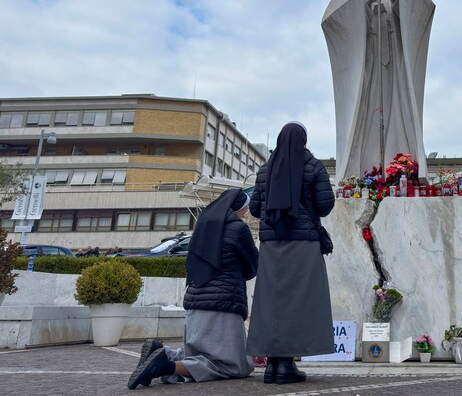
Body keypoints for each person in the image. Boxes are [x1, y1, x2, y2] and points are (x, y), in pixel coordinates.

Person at [322, 0, 435, 181]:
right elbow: (332, 26)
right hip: (364, 74)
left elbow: (422, 9)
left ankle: (401, 171)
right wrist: (362, 1)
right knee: (365, 121)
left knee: (398, 114)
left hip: (394, 71)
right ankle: (362, 175)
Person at [127, 189, 258, 389]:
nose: (246, 211)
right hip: (223, 306)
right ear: (239, 208)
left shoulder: (203, 225)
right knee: (233, 366)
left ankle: (164, 353)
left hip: (195, 304)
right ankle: (165, 365)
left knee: (198, 354)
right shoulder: (238, 228)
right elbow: (253, 266)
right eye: (245, 207)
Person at [246, 122, 335, 385]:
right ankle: (286, 364)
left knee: (271, 302)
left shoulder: (265, 170)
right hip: (303, 244)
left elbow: (254, 209)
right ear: (304, 141)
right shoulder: (314, 166)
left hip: (272, 245)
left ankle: (273, 365)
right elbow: (325, 204)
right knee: (300, 303)